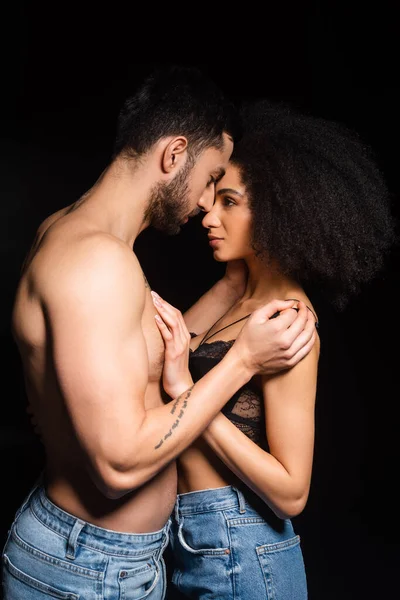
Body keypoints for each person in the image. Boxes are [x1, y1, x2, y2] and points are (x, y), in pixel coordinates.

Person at [1, 67, 317, 600]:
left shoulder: (66, 231)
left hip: (108, 559)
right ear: (173, 156)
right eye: (211, 177)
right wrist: (241, 361)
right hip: (91, 567)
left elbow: (119, 364)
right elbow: (118, 464)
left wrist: (233, 282)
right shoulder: (97, 263)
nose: (204, 203)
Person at [152, 98, 397, 599]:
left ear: (278, 212)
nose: (207, 214)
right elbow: (163, 358)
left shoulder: (286, 322)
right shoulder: (243, 299)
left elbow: (291, 491)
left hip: (243, 546)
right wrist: (231, 280)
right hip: (198, 540)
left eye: (230, 202)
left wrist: (187, 397)